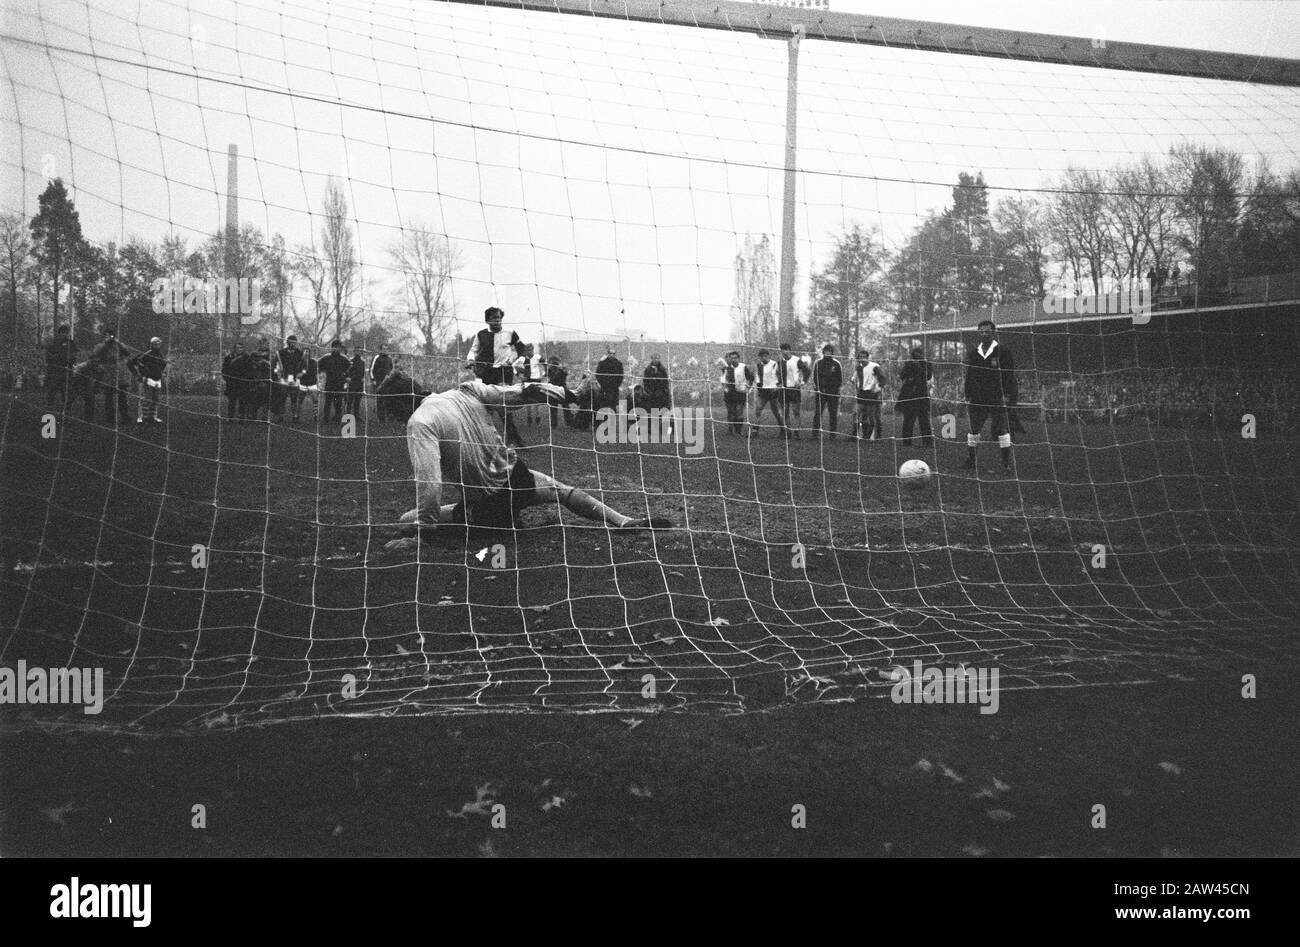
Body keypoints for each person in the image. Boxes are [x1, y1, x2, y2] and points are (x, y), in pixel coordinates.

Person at [391, 379, 673, 542]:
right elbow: (523, 390)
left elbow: (429, 482)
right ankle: (622, 521)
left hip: (487, 504)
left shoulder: (420, 421)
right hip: (518, 478)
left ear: (401, 404)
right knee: (561, 490)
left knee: (407, 520)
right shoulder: (466, 391)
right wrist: (568, 394)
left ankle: (500, 524)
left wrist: (422, 534)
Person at [963, 319, 1017, 471]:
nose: (984, 334)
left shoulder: (1003, 352)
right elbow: (970, 375)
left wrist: (1006, 394)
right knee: (974, 429)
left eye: (987, 331)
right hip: (978, 397)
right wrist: (967, 393)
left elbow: (1009, 375)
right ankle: (971, 460)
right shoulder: (974, 353)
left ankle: (1006, 464)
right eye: (981, 332)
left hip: (996, 396)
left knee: (1001, 429)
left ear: (993, 333)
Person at [91, 330, 132, 426]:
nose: (110, 337)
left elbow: (127, 353)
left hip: (119, 374)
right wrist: (105, 344)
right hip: (108, 374)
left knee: (122, 396)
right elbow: (94, 356)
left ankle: (125, 416)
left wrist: (118, 343)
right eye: (108, 336)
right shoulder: (100, 346)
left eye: (112, 336)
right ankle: (110, 418)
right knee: (108, 397)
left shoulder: (119, 345)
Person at [897, 346, 933, 442]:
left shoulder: (927, 364)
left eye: (919, 355)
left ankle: (927, 441)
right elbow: (902, 375)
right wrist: (910, 369)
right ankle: (907, 441)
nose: (917, 357)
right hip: (909, 393)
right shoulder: (908, 364)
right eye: (915, 355)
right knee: (908, 418)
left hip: (922, 393)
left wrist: (918, 367)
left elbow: (928, 376)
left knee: (924, 419)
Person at [128, 337, 167, 424]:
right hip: (148, 379)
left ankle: (153, 417)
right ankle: (141, 417)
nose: (158, 345)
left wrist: (161, 372)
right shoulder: (147, 354)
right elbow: (132, 363)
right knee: (145, 400)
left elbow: (162, 365)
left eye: (159, 344)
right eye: (156, 344)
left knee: (155, 400)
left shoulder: (159, 354)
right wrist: (138, 375)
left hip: (157, 379)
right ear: (152, 344)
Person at [751, 348, 786, 437]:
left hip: (773, 391)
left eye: (765, 356)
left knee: (776, 411)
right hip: (763, 391)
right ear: (759, 357)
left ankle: (783, 430)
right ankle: (755, 431)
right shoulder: (758, 365)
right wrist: (758, 386)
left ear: (768, 356)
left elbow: (781, 376)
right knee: (758, 409)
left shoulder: (775, 364)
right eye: (762, 357)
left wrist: (778, 387)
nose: (763, 358)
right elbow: (757, 377)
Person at [852, 349, 886, 440]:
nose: (862, 359)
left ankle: (874, 436)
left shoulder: (874, 366)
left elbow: (882, 378)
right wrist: (855, 384)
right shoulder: (858, 367)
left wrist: (877, 389)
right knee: (856, 413)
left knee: (872, 416)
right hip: (862, 393)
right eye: (860, 357)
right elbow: (854, 379)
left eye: (864, 357)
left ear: (867, 358)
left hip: (872, 393)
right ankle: (855, 434)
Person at [810, 344, 842, 439]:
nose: (828, 353)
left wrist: (836, 390)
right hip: (821, 392)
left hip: (833, 392)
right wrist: (817, 389)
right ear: (823, 352)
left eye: (830, 351)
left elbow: (840, 379)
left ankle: (832, 434)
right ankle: (815, 434)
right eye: (826, 351)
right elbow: (814, 377)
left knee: (833, 413)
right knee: (818, 413)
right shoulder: (818, 362)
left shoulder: (836, 363)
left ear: (832, 353)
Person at [778, 342, 809, 435]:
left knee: (796, 411)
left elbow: (807, 370)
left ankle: (797, 431)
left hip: (794, 389)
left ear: (790, 350)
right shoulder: (780, 361)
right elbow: (777, 373)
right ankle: (788, 431)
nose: (785, 352)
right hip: (784, 389)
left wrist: (803, 381)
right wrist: (778, 383)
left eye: (786, 349)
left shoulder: (796, 360)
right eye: (783, 350)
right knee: (785, 411)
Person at [719, 351, 753, 435]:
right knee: (732, 411)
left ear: (738, 358)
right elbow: (723, 379)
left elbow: (750, 378)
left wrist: (747, 387)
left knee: (739, 411)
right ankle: (732, 429)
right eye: (732, 358)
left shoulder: (743, 367)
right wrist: (725, 388)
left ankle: (738, 431)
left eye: (735, 358)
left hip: (740, 393)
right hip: (730, 393)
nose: (733, 359)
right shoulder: (727, 368)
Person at [318, 339, 351, 423]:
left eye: (338, 347)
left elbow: (350, 368)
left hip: (340, 384)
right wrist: (320, 376)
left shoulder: (344, 358)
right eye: (334, 347)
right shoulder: (326, 357)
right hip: (329, 383)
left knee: (338, 402)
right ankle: (326, 418)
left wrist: (346, 376)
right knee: (328, 401)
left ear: (340, 348)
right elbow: (318, 366)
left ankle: (338, 417)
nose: (336, 349)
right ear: (332, 348)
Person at [44, 324, 75, 410]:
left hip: (66, 370)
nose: (65, 335)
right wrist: (56, 358)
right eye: (63, 333)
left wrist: (69, 359)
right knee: (52, 390)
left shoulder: (71, 343)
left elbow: (74, 356)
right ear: (59, 333)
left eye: (66, 333)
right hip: (56, 370)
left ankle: (66, 409)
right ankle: (49, 407)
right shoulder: (54, 344)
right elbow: (48, 356)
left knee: (66, 391)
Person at [277, 335, 307, 422]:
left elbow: (305, 367)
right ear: (287, 342)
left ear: (296, 343)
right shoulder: (281, 352)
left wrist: (301, 373)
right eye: (290, 342)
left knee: (294, 398)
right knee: (282, 397)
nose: (292, 344)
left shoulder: (300, 353)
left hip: (295, 379)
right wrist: (278, 373)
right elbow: (276, 365)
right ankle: (281, 415)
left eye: (294, 342)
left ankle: (295, 416)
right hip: (284, 378)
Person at [594, 346, 624, 412]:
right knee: (603, 406)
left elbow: (621, 376)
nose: (612, 355)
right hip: (605, 388)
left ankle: (612, 420)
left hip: (614, 388)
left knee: (613, 406)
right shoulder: (602, 363)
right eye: (611, 353)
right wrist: (603, 384)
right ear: (608, 354)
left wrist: (616, 385)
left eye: (614, 354)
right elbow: (598, 375)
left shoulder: (618, 364)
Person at [546, 355, 571, 428]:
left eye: (555, 362)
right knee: (553, 407)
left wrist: (560, 367)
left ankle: (569, 422)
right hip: (554, 389)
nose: (555, 364)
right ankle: (554, 424)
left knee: (566, 407)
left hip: (562, 389)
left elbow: (566, 372)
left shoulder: (562, 369)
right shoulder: (550, 370)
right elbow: (548, 376)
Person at [222, 342, 244, 420]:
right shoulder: (228, 358)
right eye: (238, 348)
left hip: (242, 383)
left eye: (241, 348)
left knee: (242, 402)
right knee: (232, 402)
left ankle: (241, 417)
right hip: (232, 383)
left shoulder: (245, 358)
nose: (239, 349)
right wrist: (228, 380)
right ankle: (230, 417)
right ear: (234, 349)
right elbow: (224, 370)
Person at [346, 346, 367, 419]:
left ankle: (356, 416)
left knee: (357, 401)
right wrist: (347, 378)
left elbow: (363, 372)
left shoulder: (363, 362)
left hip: (359, 383)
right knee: (350, 400)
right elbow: (346, 371)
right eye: (357, 351)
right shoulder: (350, 361)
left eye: (360, 351)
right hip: (352, 383)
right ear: (354, 352)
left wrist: (363, 378)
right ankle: (348, 416)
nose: (358, 352)